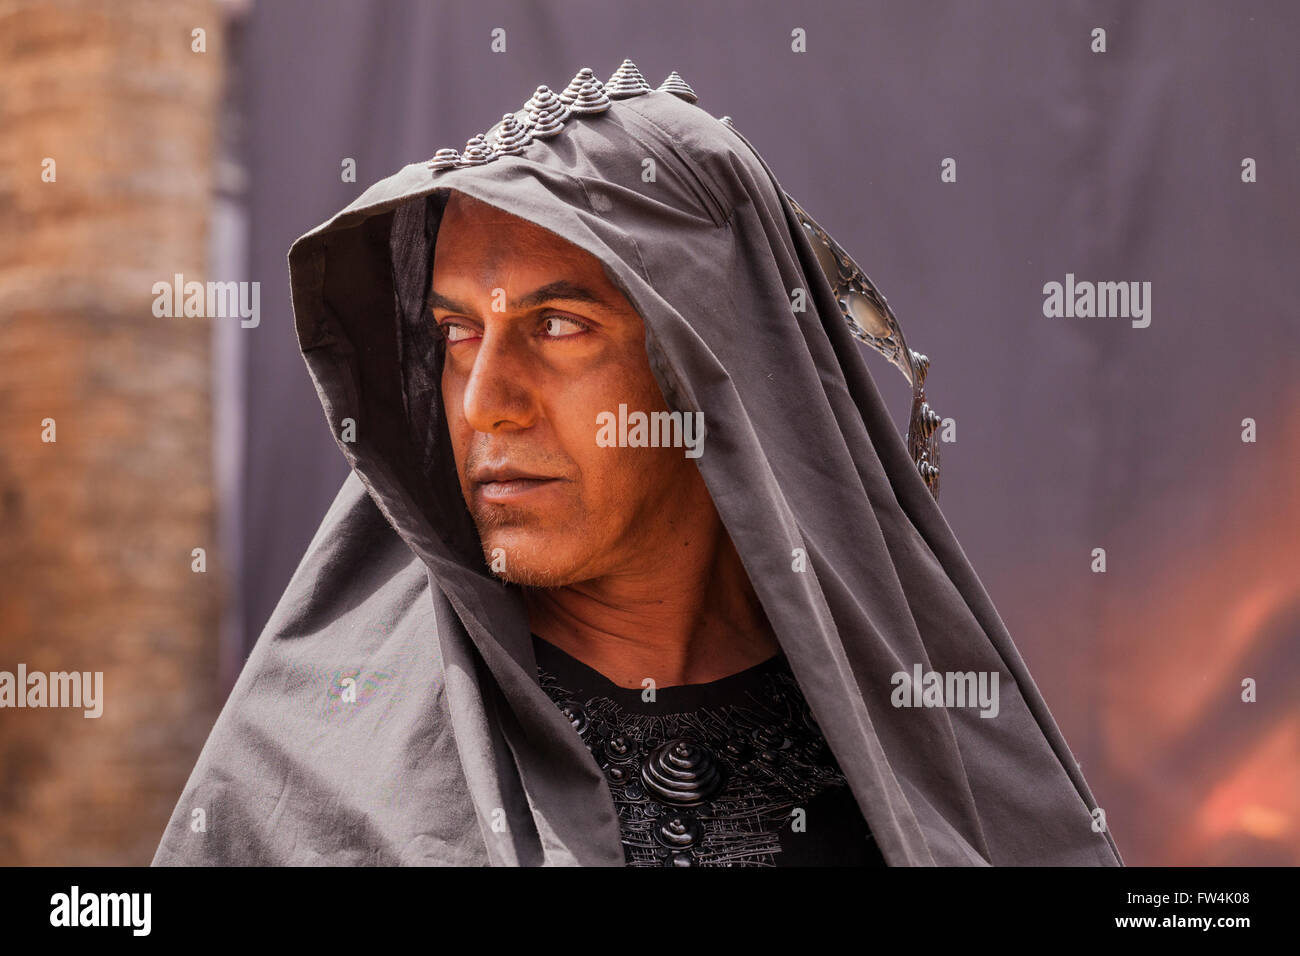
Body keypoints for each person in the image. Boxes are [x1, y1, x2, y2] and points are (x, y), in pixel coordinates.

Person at [153, 60, 1123, 866]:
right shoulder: (315, 768)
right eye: (454, 332)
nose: (486, 398)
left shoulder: (926, 740)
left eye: (558, 324)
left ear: (711, 355)